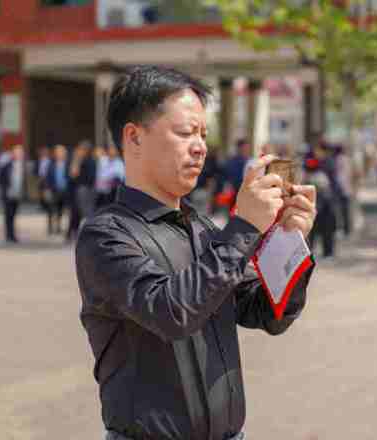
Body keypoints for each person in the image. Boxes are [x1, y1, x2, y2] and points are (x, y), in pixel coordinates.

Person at [75, 66, 317, 440]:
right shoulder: (106, 235)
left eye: (203, 134)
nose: (200, 146)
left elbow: (266, 312)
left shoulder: (204, 228)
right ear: (134, 137)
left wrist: (290, 240)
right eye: (186, 132)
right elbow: (172, 311)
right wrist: (245, 228)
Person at [67, 140, 97, 242]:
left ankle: (86, 234)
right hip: (85, 189)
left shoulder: (85, 161)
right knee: (82, 212)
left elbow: (74, 175)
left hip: (84, 189)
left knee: (85, 212)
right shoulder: (89, 160)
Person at [0, 145, 26, 243]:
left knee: (14, 215)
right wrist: (5, 189)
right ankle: (8, 235)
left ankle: (13, 235)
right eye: (17, 153)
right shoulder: (6, 165)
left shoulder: (23, 166)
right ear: (13, 154)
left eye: (21, 153)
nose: (19, 155)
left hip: (17, 194)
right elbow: (0, 179)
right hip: (8, 194)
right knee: (8, 215)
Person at [46, 144, 70, 235]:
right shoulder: (51, 164)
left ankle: (58, 227)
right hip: (53, 190)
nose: (60, 154)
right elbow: (47, 178)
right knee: (51, 209)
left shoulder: (68, 163)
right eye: (58, 152)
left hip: (64, 190)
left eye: (62, 152)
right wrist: (47, 189)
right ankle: (50, 227)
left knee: (61, 209)